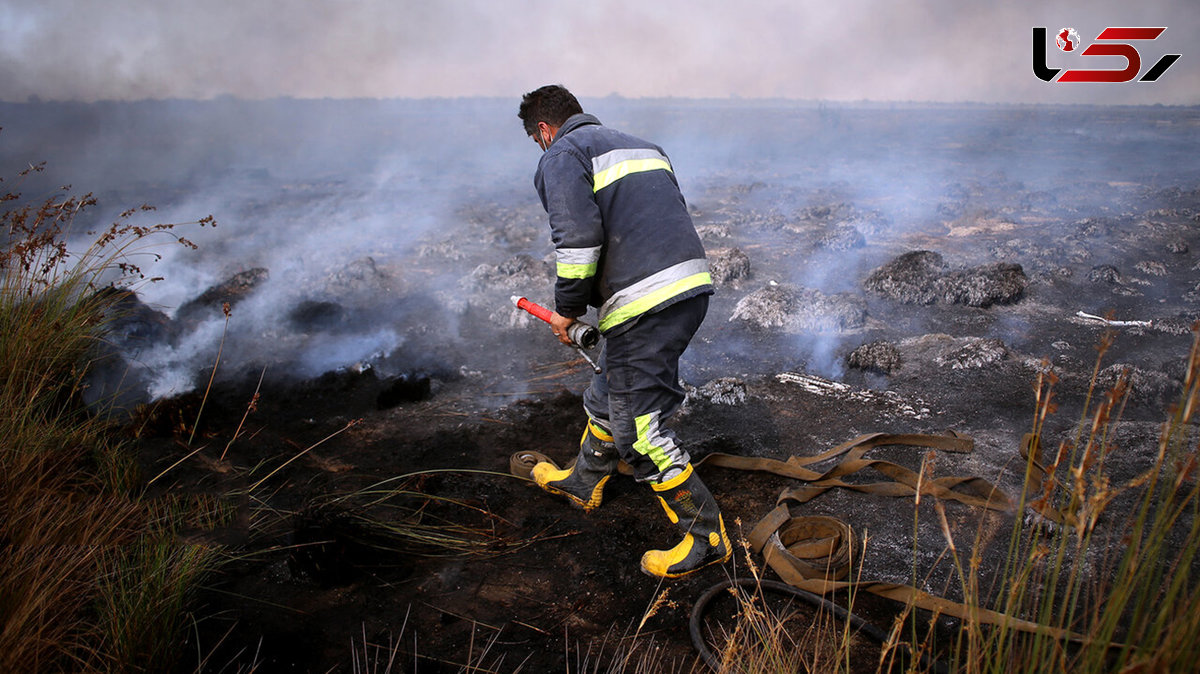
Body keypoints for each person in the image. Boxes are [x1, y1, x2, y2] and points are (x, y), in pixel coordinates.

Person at [517, 84, 730, 578]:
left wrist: (567, 311)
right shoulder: (642, 146)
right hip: (688, 287)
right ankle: (584, 482)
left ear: (544, 130)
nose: (541, 147)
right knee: (611, 390)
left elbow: (577, 239)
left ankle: (707, 537)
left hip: (645, 300)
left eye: (536, 140)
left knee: (639, 429)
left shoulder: (562, 153)